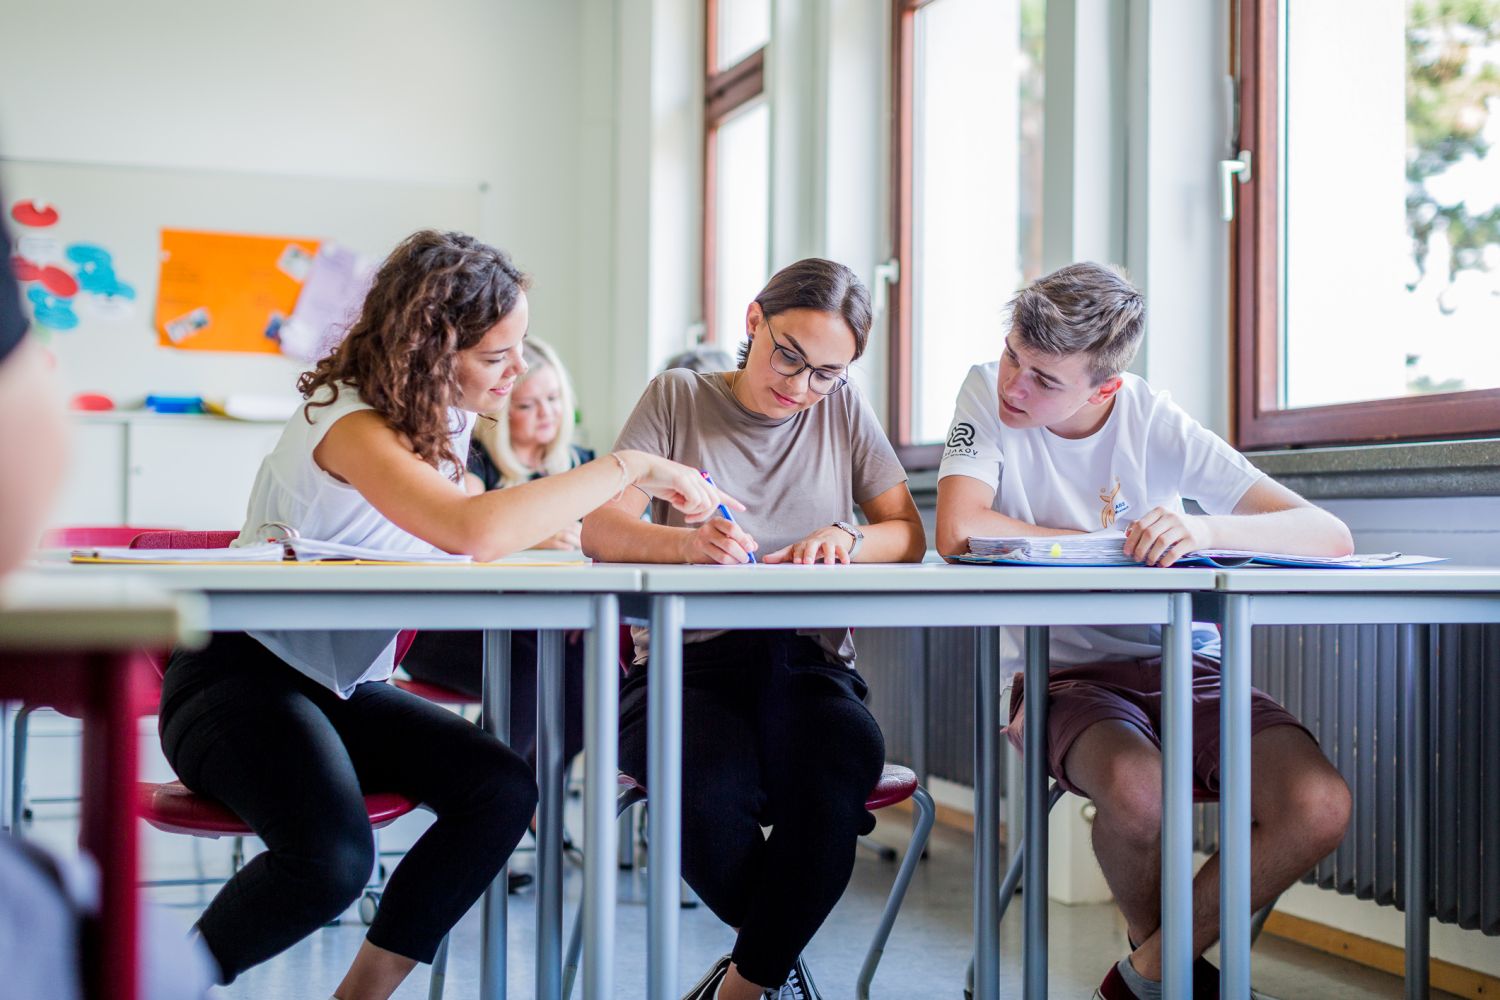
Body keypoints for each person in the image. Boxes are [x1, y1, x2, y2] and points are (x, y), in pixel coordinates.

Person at [155, 230, 736, 998]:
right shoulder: (350, 419)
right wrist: (628, 465)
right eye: (497, 358)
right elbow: (474, 532)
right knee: (331, 860)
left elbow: (477, 524)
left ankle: (361, 993)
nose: (517, 371)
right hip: (233, 684)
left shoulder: (440, 423)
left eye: (519, 348)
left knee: (500, 788)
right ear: (431, 353)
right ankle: (157, 983)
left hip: (334, 690)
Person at [935, 262, 1354, 1000]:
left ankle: (1149, 974)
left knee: (1318, 805)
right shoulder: (985, 390)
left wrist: (1199, 526)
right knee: (1140, 789)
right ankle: (1173, 974)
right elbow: (959, 529)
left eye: (1042, 379)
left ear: (1104, 388)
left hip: (1182, 660)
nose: (1013, 387)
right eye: (1012, 357)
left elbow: (1328, 532)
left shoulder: (1150, 417)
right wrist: (1090, 542)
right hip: (1055, 673)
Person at [582, 258, 927, 1000]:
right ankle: (770, 969)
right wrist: (684, 544)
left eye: (825, 374)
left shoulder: (841, 409)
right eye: (789, 356)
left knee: (841, 762)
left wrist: (846, 534)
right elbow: (601, 527)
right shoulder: (678, 398)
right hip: (686, 667)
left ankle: (744, 987)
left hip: (808, 665)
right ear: (753, 322)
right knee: (703, 792)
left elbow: (906, 531)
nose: (800, 388)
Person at [402, 337, 594, 775]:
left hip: (541, 626)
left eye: (553, 398)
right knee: (526, 670)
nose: (546, 413)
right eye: (528, 405)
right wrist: (535, 534)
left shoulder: (583, 466)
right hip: (454, 628)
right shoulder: (474, 462)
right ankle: (497, 787)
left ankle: (540, 788)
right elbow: (464, 536)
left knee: (593, 675)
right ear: (505, 413)